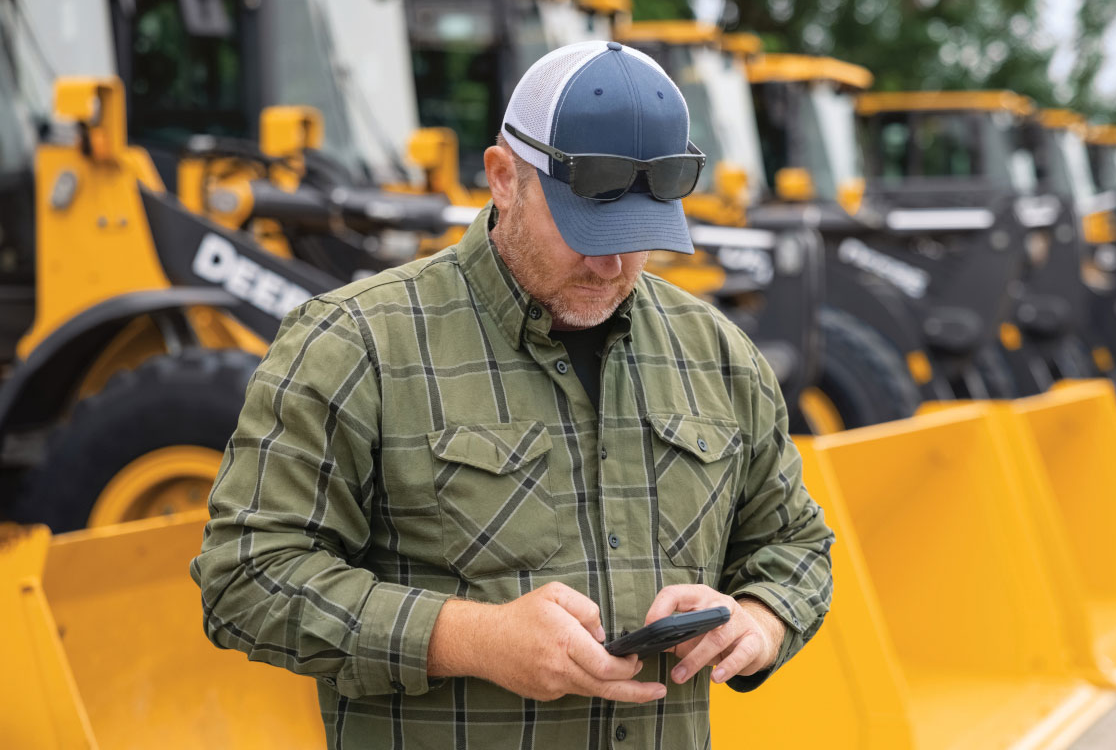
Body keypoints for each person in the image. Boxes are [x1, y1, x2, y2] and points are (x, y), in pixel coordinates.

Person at [191, 40, 834, 749]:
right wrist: (474, 638)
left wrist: (759, 619)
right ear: (503, 178)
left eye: (638, 235)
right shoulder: (355, 345)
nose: (611, 262)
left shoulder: (719, 356)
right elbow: (246, 578)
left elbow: (793, 543)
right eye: (586, 229)